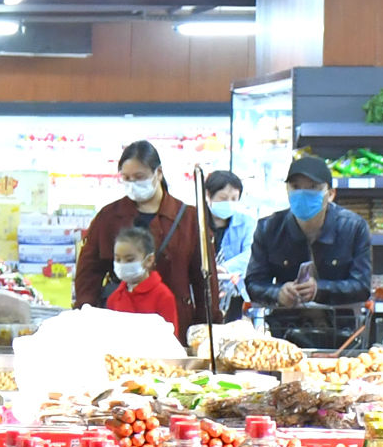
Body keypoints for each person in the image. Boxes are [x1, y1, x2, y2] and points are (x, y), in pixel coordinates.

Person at [75, 141, 213, 332]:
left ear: (158, 173)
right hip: (120, 319)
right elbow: (88, 273)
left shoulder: (189, 218)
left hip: (174, 320)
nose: (133, 184)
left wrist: (207, 327)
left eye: (139, 177)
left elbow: (204, 281)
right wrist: (84, 315)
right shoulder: (109, 216)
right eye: (126, 178)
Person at [244, 153, 375, 318]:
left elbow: (362, 286)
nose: (303, 194)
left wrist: (320, 290)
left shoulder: (354, 227)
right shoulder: (268, 228)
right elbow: (254, 283)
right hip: (285, 324)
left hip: (341, 324)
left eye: (313, 187)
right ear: (287, 190)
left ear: (331, 194)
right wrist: (278, 293)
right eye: (295, 186)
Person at [104, 224, 183, 332]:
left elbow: (170, 337)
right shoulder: (114, 297)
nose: (122, 264)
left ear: (149, 260)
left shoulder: (163, 296)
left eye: (129, 260)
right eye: (118, 259)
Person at [205, 170, 251, 320]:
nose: (229, 203)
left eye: (234, 199)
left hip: (235, 294)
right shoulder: (194, 220)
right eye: (223, 198)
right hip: (202, 292)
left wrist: (224, 268)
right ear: (208, 195)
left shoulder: (247, 222)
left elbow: (251, 254)